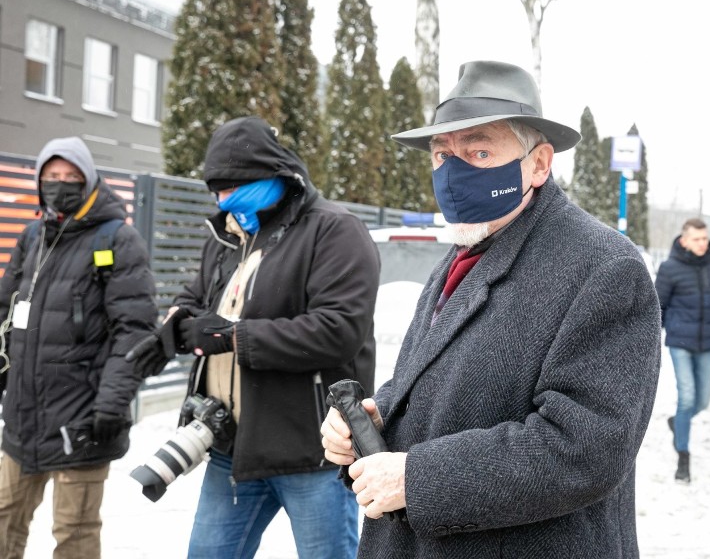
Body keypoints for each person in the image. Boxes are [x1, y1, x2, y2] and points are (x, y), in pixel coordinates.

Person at [320, 60, 661, 558]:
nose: (454, 171)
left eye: (479, 150)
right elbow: (434, 384)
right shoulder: (465, 252)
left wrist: (418, 478)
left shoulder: (604, 267)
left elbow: (585, 448)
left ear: (539, 163)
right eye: (442, 155)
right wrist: (373, 425)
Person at [128, 116, 380, 559]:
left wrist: (233, 337)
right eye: (217, 189)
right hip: (233, 447)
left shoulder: (335, 230)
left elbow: (338, 331)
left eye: (234, 185)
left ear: (275, 175)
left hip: (312, 450)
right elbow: (197, 293)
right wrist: (173, 329)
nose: (225, 199)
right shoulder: (229, 233)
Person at [0, 137, 157, 558]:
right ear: (39, 181)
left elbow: (135, 330)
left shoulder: (117, 240)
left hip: (81, 420)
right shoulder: (34, 235)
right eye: (52, 177)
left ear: (89, 181)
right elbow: (5, 308)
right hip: (22, 418)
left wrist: (111, 404)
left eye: (71, 177)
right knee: (3, 520)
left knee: (74, 534)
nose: (61, 184)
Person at [655, 218, 710, 483]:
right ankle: (683, 457)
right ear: (684, 240)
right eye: (697, 239)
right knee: (688, 397)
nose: (703, 243)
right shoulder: (669, 268)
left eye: (705, 238)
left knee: (702, 401)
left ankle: (678, 423)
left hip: (707, 344)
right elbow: (657, 308)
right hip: (680, 342)